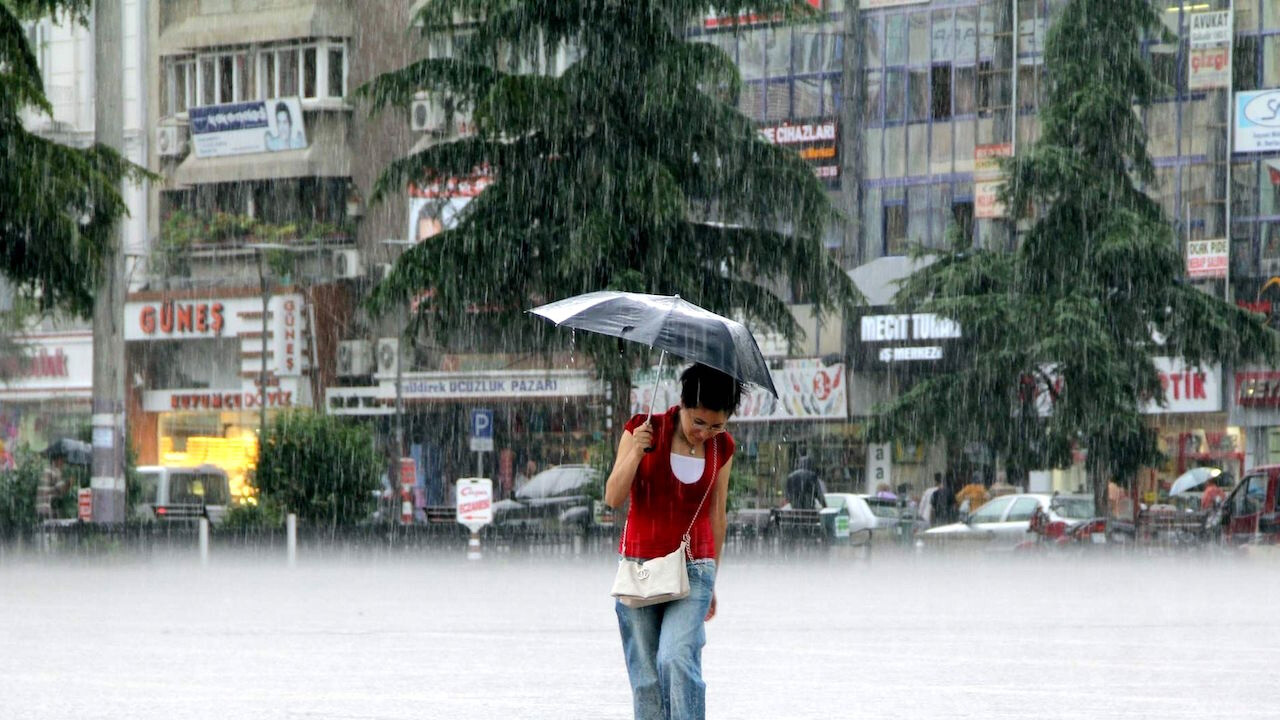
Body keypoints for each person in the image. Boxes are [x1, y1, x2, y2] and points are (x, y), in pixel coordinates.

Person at [604, 363, 739, 720]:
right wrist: (636, 451)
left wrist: (713, 583)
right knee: (646, 680)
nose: (705, 433)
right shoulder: (642, 429)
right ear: (681, 404)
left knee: (677, 658)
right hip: (639, 569)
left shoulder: (721, 447)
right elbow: (613, 497)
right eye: (699, 422)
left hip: (694, 569)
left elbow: (717, 516)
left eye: (716, 425)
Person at [36, 449, 70, 521]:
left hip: (41, 508)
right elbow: (62, 489)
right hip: (49, 509)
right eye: (62, 461)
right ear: (58, 460)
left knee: (43, 530)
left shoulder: (47, 469)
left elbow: (55, 490)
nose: (63, 463)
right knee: (52, 530)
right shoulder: (55, 471)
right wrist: (69, 483)